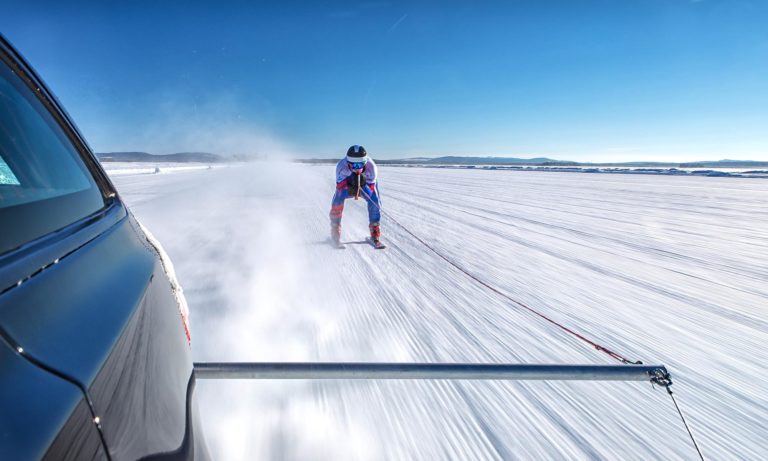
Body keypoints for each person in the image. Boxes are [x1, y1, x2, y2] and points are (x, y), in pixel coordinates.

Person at [329, 145, 382, 246]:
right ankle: (335, 227)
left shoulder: (372, 168)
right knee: (338, 199)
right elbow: (339, 186)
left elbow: (370, 190)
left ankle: (375, 230)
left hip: (364, 186)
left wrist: (363, 183)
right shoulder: (341, 167)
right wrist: (349, 180)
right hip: (347, 186)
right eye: (353, 165)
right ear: (348, 163)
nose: (357, 168)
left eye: (360, 165)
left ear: (365, 162)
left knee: (374, 200)